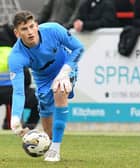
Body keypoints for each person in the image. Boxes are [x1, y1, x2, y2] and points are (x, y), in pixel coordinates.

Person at [8, 10, 84, 162]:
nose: (30, 32)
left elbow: (78, 48)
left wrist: (65, 71)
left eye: (31, 26)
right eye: (24, 29)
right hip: (42, 79)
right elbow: (18, 92)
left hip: (65, 68)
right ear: (17, 33)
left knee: (59, 89)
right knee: (47, 121)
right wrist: (15, 117)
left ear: (36, 25)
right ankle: (49, 144)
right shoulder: (16, 56)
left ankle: (56, 148)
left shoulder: (53, 30)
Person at [0, 24, 39, 130]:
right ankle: (29, 126)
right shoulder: (14, 53)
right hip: (15, 91)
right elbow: (26, 79)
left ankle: (8, 122)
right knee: (40, 99)